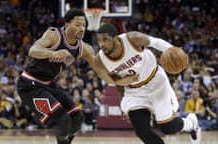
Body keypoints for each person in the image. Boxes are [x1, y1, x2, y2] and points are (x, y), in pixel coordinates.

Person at [16, 9, 137, 144]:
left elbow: (101, 72)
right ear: (67, 25)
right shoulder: (54, 35)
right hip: (30, 84)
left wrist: (120, 80)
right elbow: (33, 51)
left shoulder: (84, 48)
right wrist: (52, 54)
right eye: (78, 24)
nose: (82, 28)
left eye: (84, 25)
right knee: (63, 119)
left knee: (78, 118)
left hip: (49, 84)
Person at [95, 23, 201, 144]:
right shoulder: (101, 60)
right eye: (99, 41)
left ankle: (191, 123)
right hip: (134, 92)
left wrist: (174, 53)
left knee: (166, 127)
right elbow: (117, 82)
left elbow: (155, 42)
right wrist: (121, 102)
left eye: (105, 40)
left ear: (116, 38)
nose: (102, 44)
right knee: (142, 132)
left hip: (156, 83)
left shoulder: (132, 39)